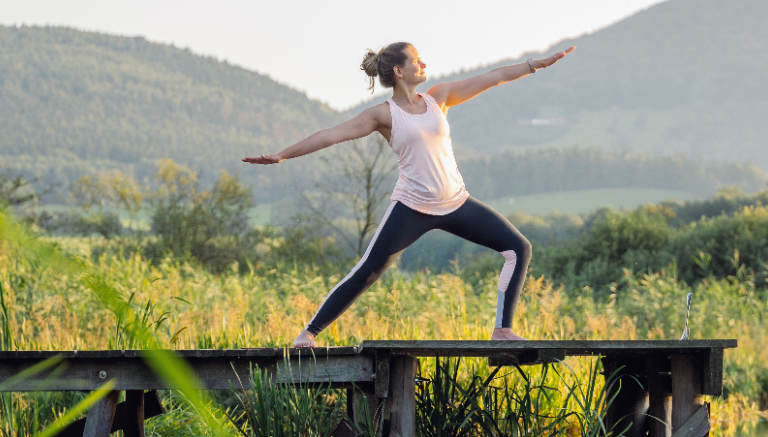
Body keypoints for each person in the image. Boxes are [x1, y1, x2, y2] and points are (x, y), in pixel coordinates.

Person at [244, 42, 575, 345]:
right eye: (416, 60)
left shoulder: (439, 97)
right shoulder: (383, 115)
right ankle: (308, 333)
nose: (423, 62)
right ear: (399, 71)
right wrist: (282, 154)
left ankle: (502, 331)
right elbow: (332, 134)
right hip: (413, 207)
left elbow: (495, 76)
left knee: (518, 247)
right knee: (369, 271)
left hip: (456, 202)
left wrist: (536, 65)